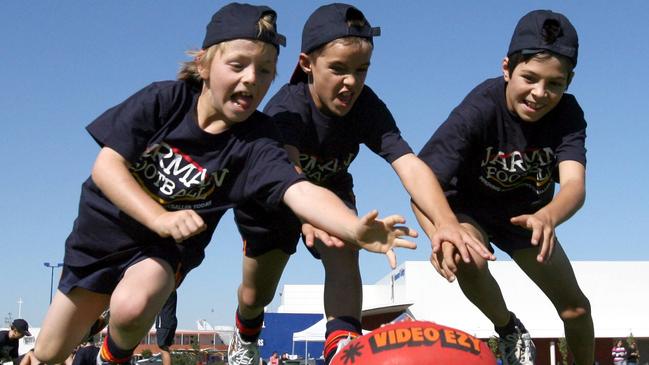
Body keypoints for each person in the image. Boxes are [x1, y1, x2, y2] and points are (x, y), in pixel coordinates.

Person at [32, 3, 417, 365]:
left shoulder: (257, 140)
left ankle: (109, 358)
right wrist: (158, 216)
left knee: (136, 302)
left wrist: (351, 227)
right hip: (102, 239)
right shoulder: (163, 101)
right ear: (203, 64)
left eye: (265, 71)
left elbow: (298, 188)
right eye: (238, 65)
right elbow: (106, 167)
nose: (251, 78)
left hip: (163, 249)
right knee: (49, 353)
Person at [230, 4, 493, 365]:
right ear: (307, 63)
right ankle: (245, 337)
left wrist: (446, 223)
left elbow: (410, 165)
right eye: (338, 69)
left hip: (333, 192)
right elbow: (289, 169)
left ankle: (343, 347)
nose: (351, 82)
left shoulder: (366, 106)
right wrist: (308, 216)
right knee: (256, 294)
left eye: (361, 70)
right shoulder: (286, 109)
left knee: (343, 247)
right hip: (273, 202)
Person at [414, 9, 594, 365]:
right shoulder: (479, 109)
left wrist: (548, 216)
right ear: (507, 68)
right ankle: (509, 329)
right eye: (529, 78)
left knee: (576, 309)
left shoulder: (568, 115)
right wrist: (441, 229)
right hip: (466, 211)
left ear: (568, 82)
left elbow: (574, 186)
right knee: (467, 252)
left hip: (526, 216)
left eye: (554, 84)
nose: (540, 93)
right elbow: (422, 180)